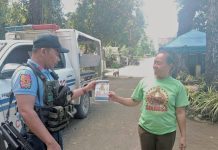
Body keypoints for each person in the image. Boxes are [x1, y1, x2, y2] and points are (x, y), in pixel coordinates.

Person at [11, 34, 96, 150]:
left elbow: (63, 97)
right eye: (57, 53)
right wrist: (50, 142)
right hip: (36, 139)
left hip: (52, 133)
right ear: (44, 51)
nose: (59, 58)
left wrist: (86, 89)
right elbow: (26, 111)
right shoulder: (26, 74)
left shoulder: (48, 73)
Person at [109, 51, 189, 150]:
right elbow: (134, 101)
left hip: (167, 133)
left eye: (158, 63)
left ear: (170, 65)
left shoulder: (178, 86)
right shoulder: (145, 81)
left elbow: (180, 112)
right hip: (145, 130)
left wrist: (183, 137)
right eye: (154, 62)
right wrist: (117, 98)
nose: (155, 66)